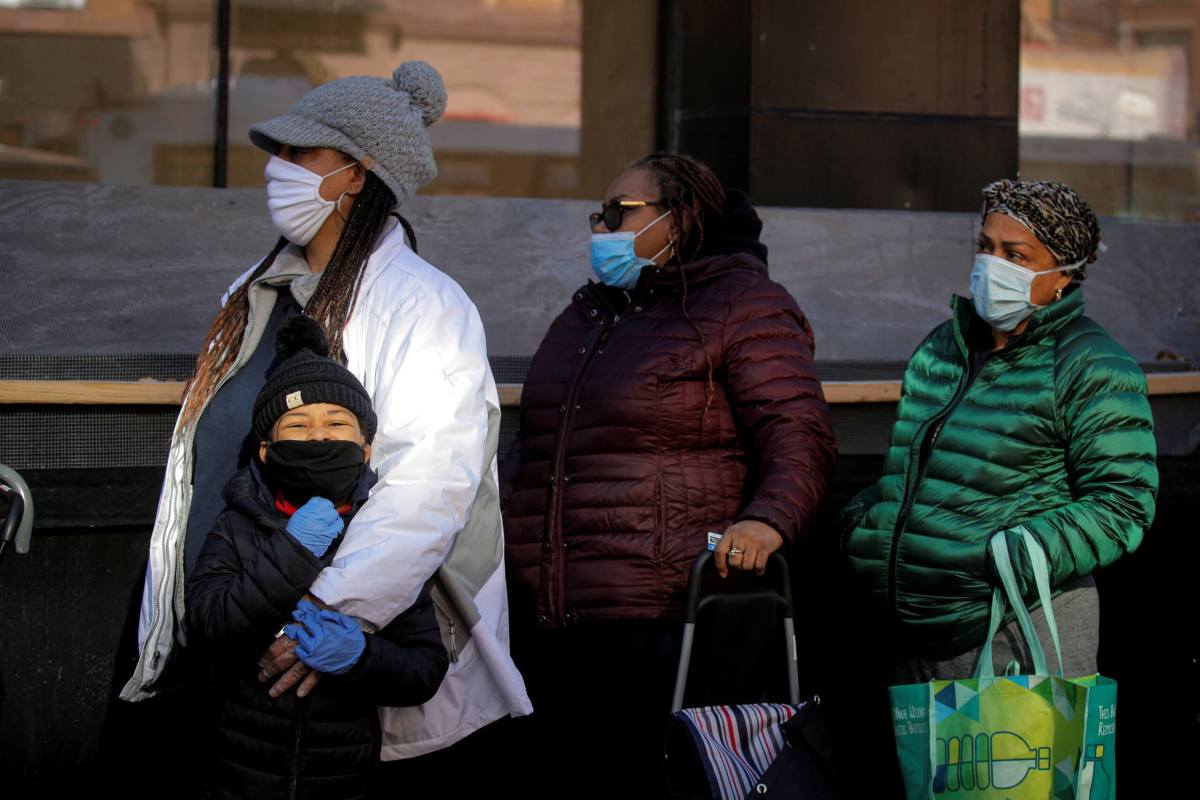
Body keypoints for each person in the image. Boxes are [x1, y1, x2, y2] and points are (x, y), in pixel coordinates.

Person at [121, 60, 531, 769]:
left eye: (299, 153)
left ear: (358, 174)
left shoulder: (423, 306)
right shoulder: (252, 290)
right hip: (225, 636)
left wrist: (329, 617)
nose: (276, 168)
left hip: (321, 657)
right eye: (276, 152)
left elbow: (426, 488)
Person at [501, 152, 837, 793]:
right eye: (599, 214)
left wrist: (768, 521)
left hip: (659, 615)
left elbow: (799, 431)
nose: (603, 228)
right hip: (554, 614)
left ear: (680, 220)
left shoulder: (743, 304)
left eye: (621, 213)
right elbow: (541, 436)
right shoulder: (592, 312)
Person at [842, 179, 1158, 682]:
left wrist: (1015, 555)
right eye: (986, 247)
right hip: (913, 628)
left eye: (1016, 255)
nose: (993, 265)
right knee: (920, 765)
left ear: (1063, 276)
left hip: (1016, 625)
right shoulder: (944, 346)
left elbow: (1123, 503)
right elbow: (915, 470)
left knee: (1017, 761)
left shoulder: (1091, 363)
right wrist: (870, 523)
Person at [186, 317, 448, 799]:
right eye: (298, 425)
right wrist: (292, 550)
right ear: (266, 451)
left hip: (345, 779)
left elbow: (424, 667)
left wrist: (361, 656)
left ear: (365, 448)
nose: (320, 437)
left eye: (337, 423)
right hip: (235, 772)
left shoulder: (384, 536)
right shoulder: (237, 524)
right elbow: (208, 626)